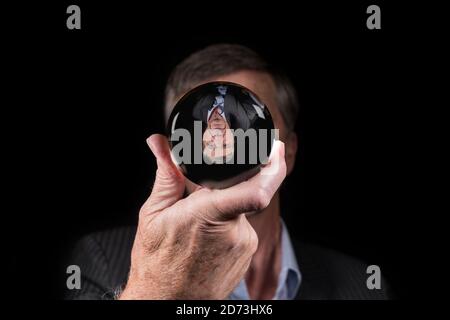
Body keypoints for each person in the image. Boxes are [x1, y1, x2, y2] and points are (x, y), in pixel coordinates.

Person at [66, 44, 391, 300]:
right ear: (173, 150)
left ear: (287, 150)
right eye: (202, 126)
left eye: (248, 122)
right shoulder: (101, 259)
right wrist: (161, 290)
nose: (225, 139)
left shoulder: (360, 284)